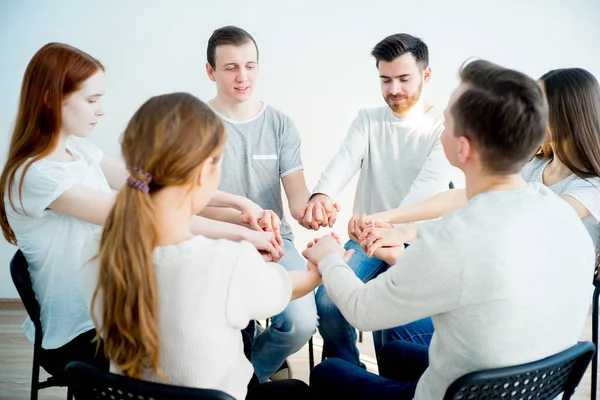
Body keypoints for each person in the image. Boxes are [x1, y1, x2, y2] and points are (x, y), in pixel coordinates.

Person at [304, 59, 595, 400]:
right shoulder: (563, 219)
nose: (439, 128)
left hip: (457, 393)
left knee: (327, 373)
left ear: (463, 147)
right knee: (397, 352)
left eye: (445, 122)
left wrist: (329, 258)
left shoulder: (451, 238)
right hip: (530, 389)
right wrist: (404, 257)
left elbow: (362, 311)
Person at [0, 42, 281, 377]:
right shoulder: (35, 175)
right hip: (81, 335)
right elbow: (149, 217)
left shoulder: (80, 151)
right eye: (91, 100)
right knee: (214, 326)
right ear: (49, 100)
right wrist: (241, 233)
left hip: (113, 310)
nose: (100, 110)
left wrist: (239, 203)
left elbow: (158, 184)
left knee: (227, 321)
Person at [79, 92, 325, 399]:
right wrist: (321, 267)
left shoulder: (96, 250)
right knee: (298, 391)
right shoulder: (225, 261)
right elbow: (286, 286)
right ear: (206, 171)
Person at [297, 33, 453, 365]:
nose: (393, 89)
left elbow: (425, 194)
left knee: (396, 321)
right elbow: (343, 161)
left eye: (403, 79)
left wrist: (377, 222)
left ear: (426, 75)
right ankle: (346, 374)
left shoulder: (444, 127)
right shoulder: (368, 120)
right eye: (385, 80)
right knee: (328, 299)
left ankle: (387, 383)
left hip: (416, 241)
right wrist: (321, 196)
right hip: (366, 237)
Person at [361, 67, 600, 271]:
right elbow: (469, 198)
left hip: (536, 306)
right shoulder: (533, 166)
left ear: (567, 115)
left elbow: (510, 220)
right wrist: (384, 219)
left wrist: (405, 236)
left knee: (405, 318)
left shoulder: (589, 189)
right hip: (500, 288)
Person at [202, 25, 318, 381]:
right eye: (231, 67)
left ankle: (249, 374)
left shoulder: (281, 124)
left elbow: (297, 197)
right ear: (211, 71)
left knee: (301, 323)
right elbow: (186, 204)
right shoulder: (194, 124)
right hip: (213, 240)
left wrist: (311, 210)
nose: (243, 77)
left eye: (250, 66)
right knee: (218, 323)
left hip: (274, 241)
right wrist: (240, 216)